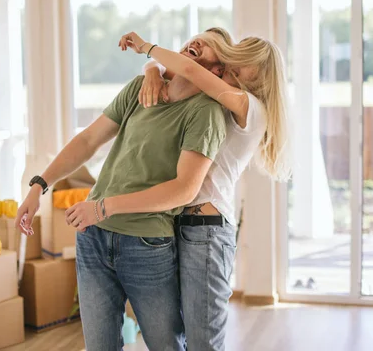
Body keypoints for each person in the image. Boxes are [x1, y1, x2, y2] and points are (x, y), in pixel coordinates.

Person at [68, 29, 292, 350]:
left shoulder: (247, 105)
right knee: (182, 333)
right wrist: (152, 71)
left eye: (241, 64)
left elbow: (189, 70)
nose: (231, 67)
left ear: (260, 75)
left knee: (202, 341)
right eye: (231, 61)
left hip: (207, 231)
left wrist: (146, 49)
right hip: (179, 223)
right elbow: (182, 74)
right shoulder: (217, 100)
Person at [15, 30, 228, 350]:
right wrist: (39, 185)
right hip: (93, 237)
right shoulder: (140, 89)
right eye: (194, 38)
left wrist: (104, 206)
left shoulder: (205, 113)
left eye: (208, 43)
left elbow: (184, 189)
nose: (195, 41)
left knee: (165, 345)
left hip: (147, 243)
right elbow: (88, 140)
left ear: (217, 71)